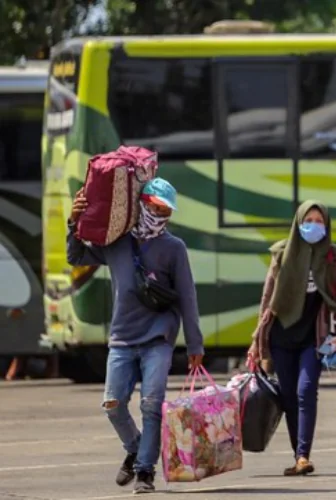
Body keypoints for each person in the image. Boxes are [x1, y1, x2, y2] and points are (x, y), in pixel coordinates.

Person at [67, 178, 204, 494]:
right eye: (155, 207)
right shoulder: (116, 242)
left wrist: (195, 342)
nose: (159, 215)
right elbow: (77, 256)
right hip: (122, 338)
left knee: (151, 404)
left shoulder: (174, 247)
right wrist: (73, 220)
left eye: (166, 211)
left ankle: (145, 471)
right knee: (113, 405)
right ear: (142, 203)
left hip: (159, 338)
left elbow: (187, 296)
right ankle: (136, 447)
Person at [248, 200, 336, 476]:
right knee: (288, 396)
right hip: (281, 338)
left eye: (320, 221)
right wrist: (257, 342)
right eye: (308, 220)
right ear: (298, 222)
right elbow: (267, 299)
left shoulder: (332, 255)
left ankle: (303, 455)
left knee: (305, 390)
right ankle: (299, 457)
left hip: (313, 337)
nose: (314, 226)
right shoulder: (282, 253)